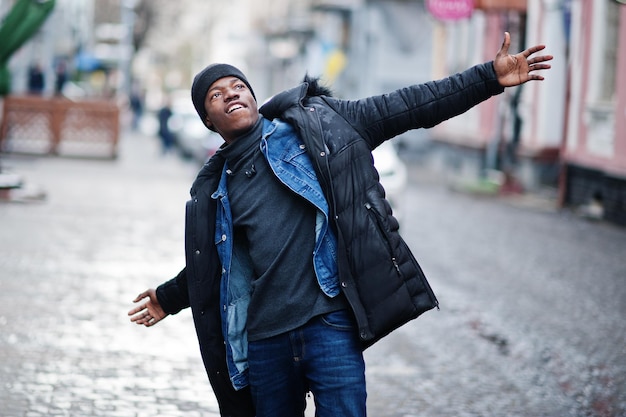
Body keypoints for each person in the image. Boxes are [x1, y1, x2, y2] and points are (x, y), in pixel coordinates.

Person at [128, 32, 552, 417]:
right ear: (208, 120)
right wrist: (168, 297)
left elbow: (410, 106)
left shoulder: (320, 125)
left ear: (254, 98)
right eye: (216, 95)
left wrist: (488, 78)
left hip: (329, 323)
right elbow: (216, 264)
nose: (231, 95)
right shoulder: (216, 189)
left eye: (239, 86)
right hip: (265, 339)